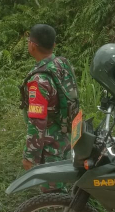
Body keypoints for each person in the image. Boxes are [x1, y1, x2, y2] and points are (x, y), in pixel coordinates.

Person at [19, 24, 80, 173]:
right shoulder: (62, 64)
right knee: (64, 184)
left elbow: (37, 121)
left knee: (53, 192)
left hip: (50, 146)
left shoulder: (38, 81)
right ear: (54, 45)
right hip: (67, 135)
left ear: (33, 46)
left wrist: (30, 156)